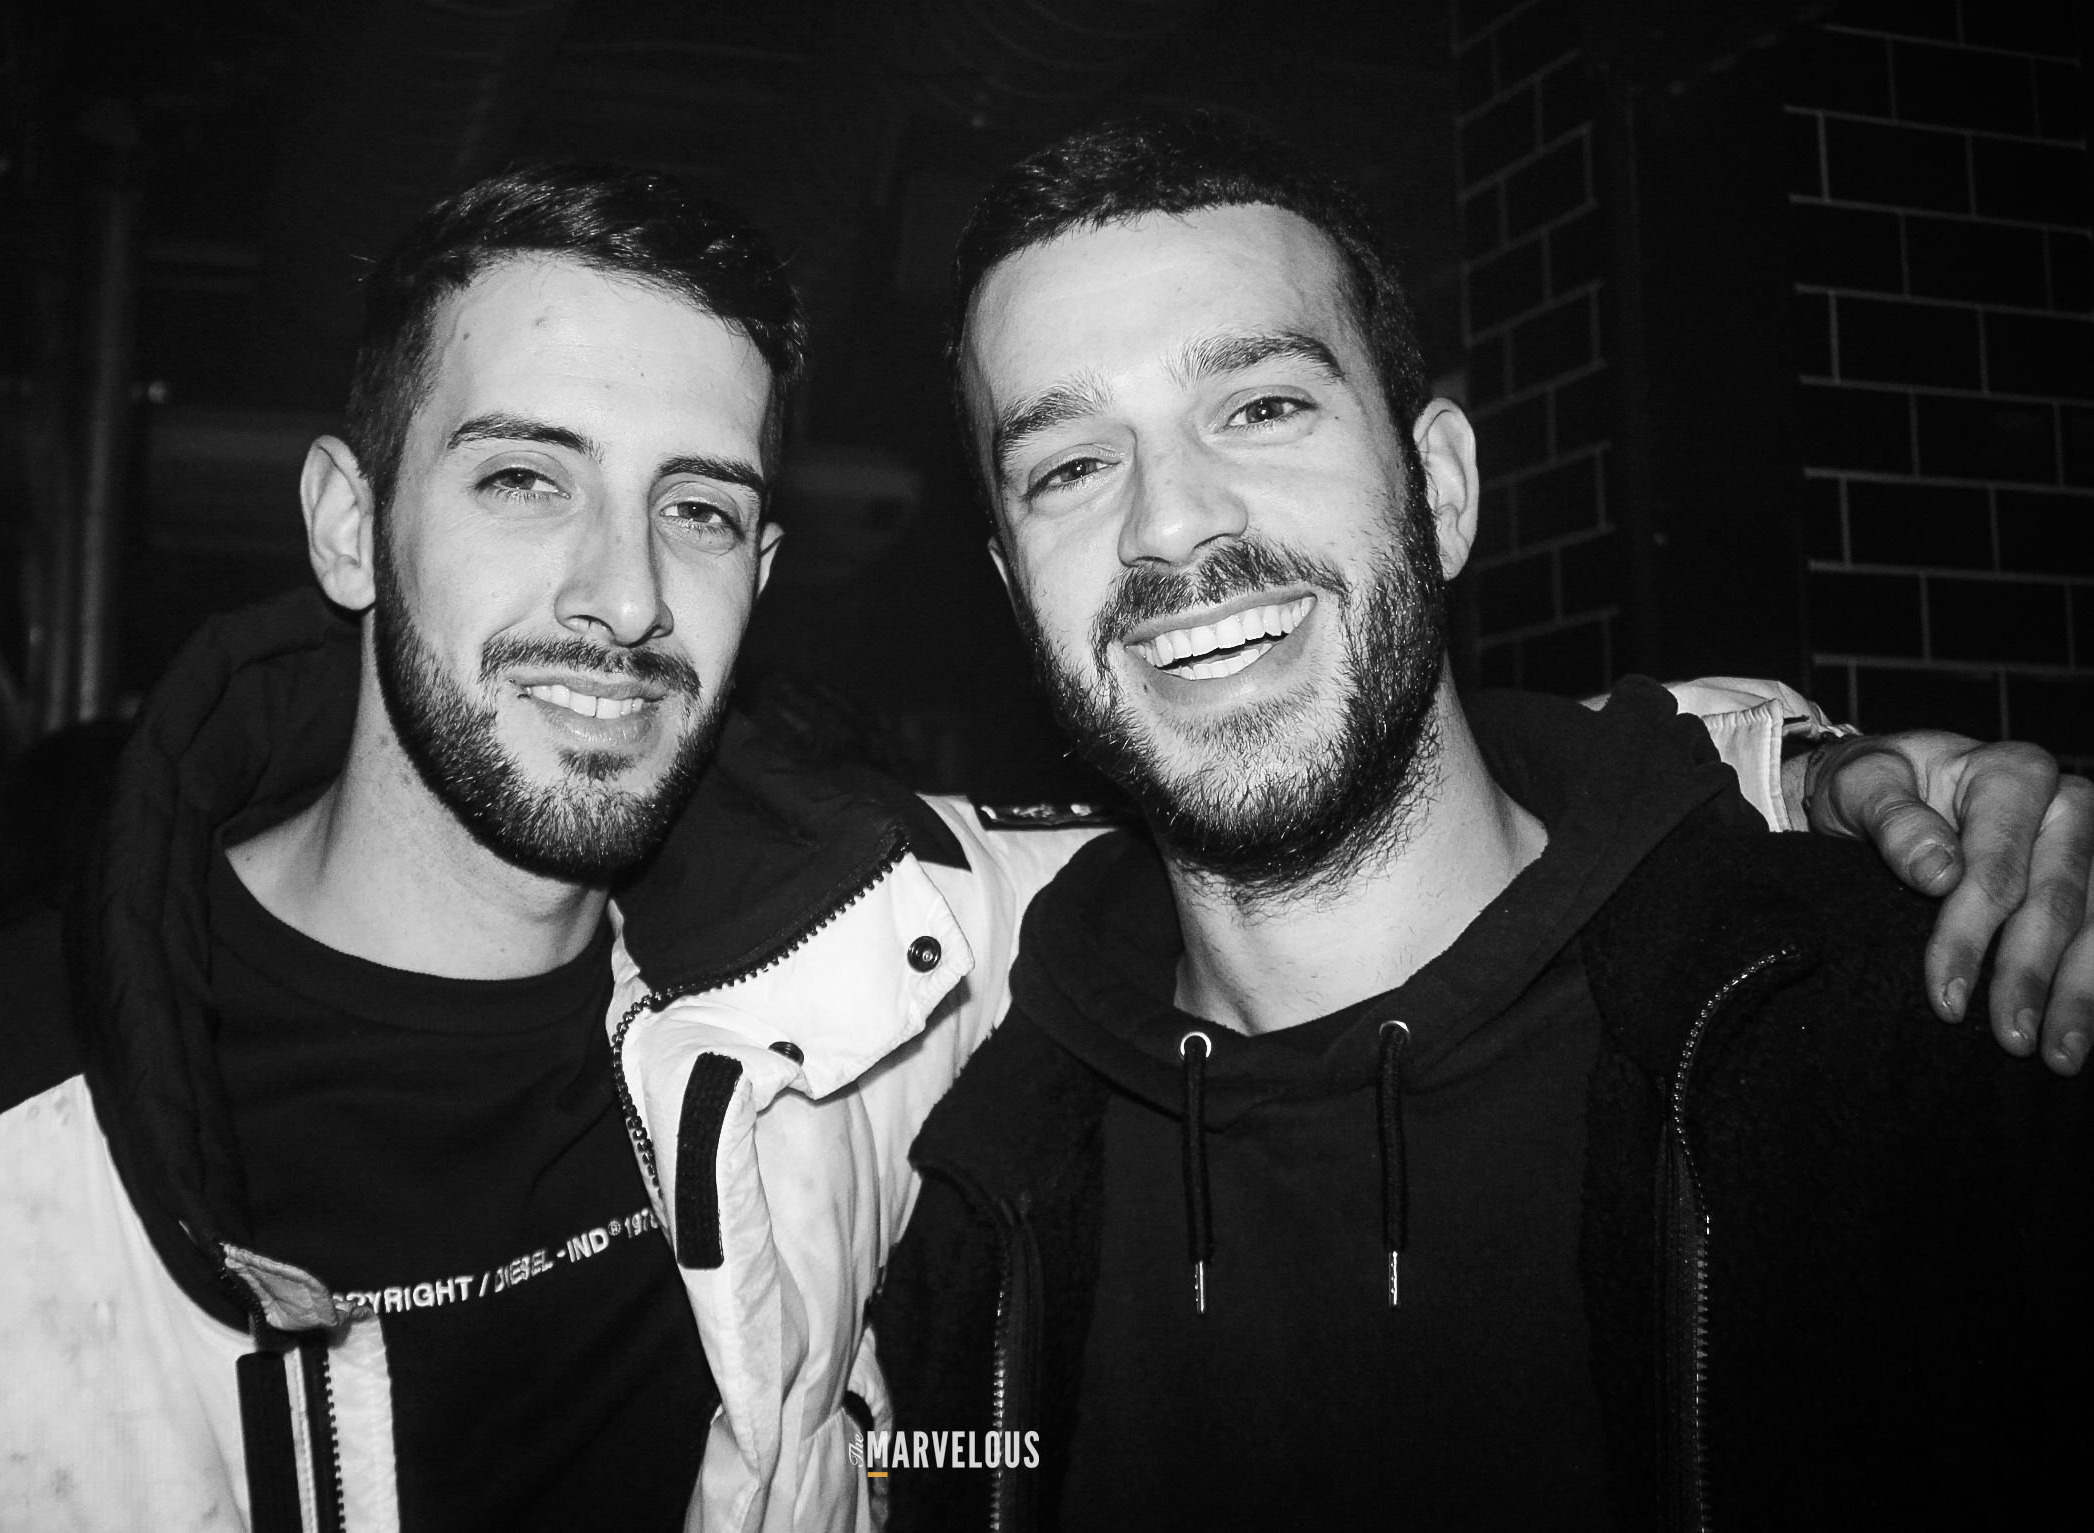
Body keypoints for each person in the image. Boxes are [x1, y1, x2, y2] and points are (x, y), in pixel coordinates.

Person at [0, 163, 2080, 1533]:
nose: (619, 593)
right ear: (340, 523)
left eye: (702, 507)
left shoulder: (875, 971)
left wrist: (1822, 767)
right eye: (520, 477)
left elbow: (1402, 782)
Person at [869, 110, 2090, 1530]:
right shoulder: (978, 1212)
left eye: (1261, 406)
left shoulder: (1915, 1033)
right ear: (1017, 591)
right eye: (1070, 465)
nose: (1172, 523)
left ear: (1440, 489)